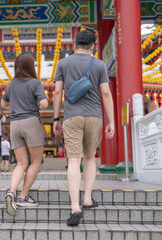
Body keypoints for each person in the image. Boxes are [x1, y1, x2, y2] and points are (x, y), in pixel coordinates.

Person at [53, 30, 115, 226]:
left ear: (74, 44)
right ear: (93, 46)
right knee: (90, 157)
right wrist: (111, 120)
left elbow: (57, 91)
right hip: (94, 116)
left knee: (73, 160)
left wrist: (56, 118)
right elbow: (105, 93)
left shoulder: (63, 63)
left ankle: (75, 206)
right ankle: (87, 198)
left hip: (72, 116)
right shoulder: (99, 64)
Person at [1, 53, 48, 216]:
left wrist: (15, 107)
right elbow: (44, 103)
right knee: (35, 161)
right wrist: (34, 105)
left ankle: (12, 191)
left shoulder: (11, 84)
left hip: (15, 124)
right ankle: (22, 196)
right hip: (31, 122)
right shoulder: (35, 83)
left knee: (21, 163)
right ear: (30, 66)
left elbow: (3, 104)